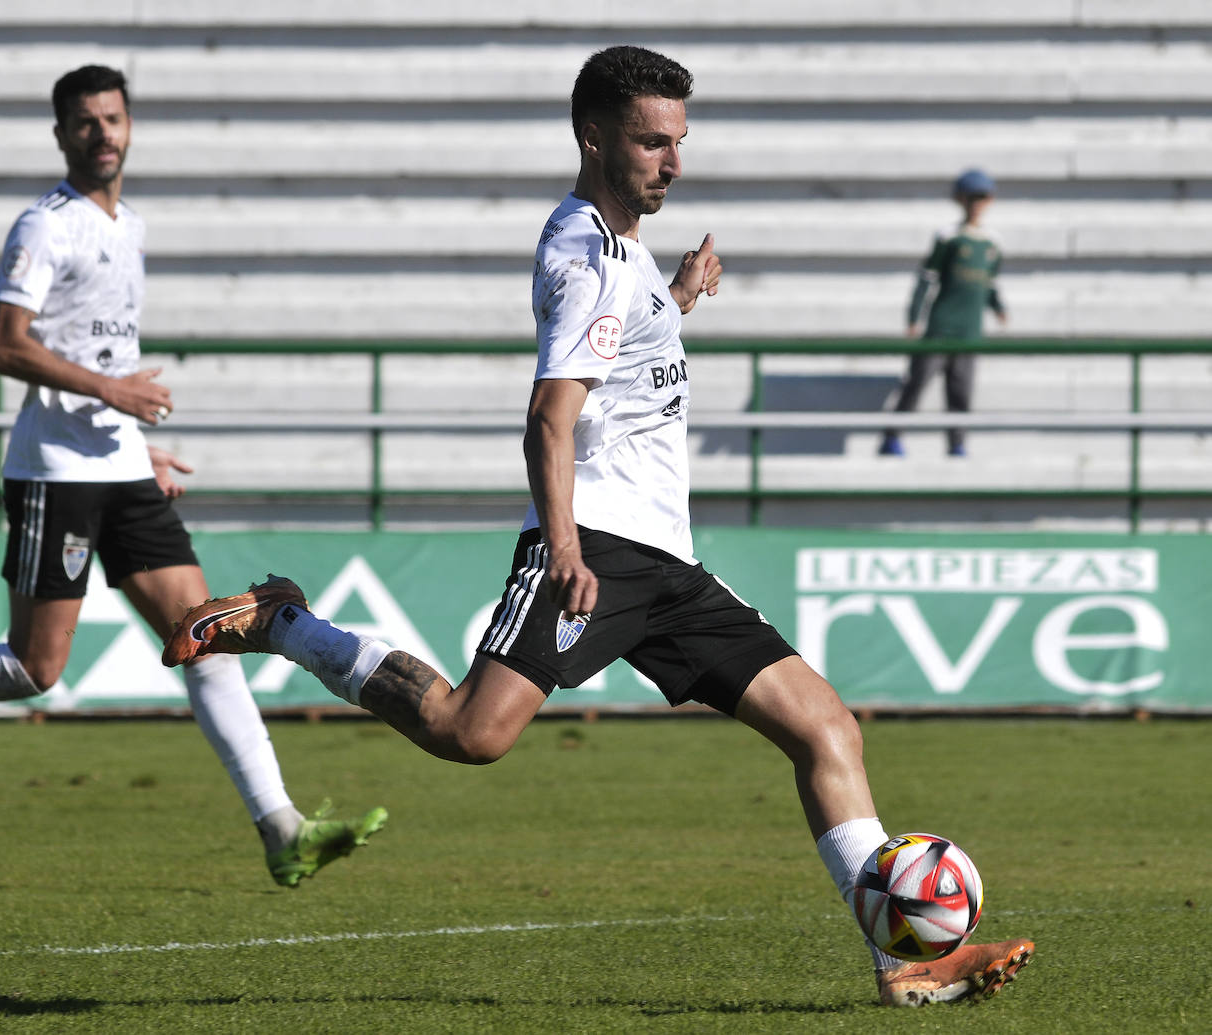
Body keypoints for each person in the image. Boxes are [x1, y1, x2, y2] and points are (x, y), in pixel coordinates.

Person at [162, 47, 1033, 1006]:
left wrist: (681, 299)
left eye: (679, 142)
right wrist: (567, 550)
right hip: (598, 551)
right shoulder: (582, 257)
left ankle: (902, 963)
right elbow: (551, 414)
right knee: (471, 731)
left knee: (827, 729)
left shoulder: (625, 252)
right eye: (651, 142)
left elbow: (626, 354)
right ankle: (285, 621)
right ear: (594, 138)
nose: (673, 161)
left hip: (668, 560)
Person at [0, 65, 386, 887]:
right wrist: (112, 393)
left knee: (207, 636)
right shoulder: (43, 227)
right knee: (36, 667)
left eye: (113, 118)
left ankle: (283, 828)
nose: (103, 134)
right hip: (53, 472)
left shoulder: (130, 225)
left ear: (131, 126)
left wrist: (132, 438)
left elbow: (101, 352)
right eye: (86, 123)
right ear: (62, 136)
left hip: (119, 463)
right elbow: (1, 343)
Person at [880, 168, 1006, 458]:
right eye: (971, 197)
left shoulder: (992, 243)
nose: (976, 204)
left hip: (969, 331)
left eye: (982, 197)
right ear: (959, 199)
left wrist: (999, 308)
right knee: (917, 383)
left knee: (961, 391)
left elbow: (990, 284)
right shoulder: (948, 237)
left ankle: (957, 444)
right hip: (941, 327)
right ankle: (892, 437)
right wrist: (914, 316)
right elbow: (927, 278)